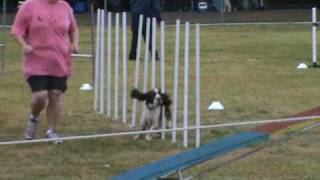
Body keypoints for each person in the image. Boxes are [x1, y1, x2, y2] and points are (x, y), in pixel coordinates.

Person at [11, 0, 79, 142]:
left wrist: (74, 43)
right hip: (36, 60)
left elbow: (73, 28)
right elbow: (16, 30)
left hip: (59, 61)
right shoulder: (29, 5)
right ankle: (33, 119)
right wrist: (24, 45)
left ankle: (52, 131)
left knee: (55, 94)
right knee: (40, 96)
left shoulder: (65, 6)